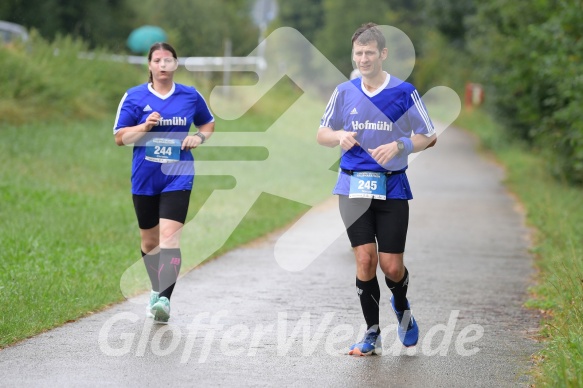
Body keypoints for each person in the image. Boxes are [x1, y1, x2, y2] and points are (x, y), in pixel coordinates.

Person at [317, 23, 436, 355]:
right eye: (359, 53)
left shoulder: (404, 91)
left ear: (382, 54)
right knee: (365, 259)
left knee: (392, 267)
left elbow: (429, 135)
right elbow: (321, 133)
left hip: (393, 187)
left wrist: (401, 145)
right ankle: (371, 332)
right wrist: (338, 136)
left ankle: (403, 309)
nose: (364, 58)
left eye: (370, 52)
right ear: (353, 56)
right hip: (353, 185)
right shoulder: (343, 91)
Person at [113, 42, 215, 323]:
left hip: (178, 174)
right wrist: (143, 127)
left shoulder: (190, 96)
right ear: (149, 65)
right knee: (149, 242)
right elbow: (119, 138)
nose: (163, 65)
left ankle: (163, 299)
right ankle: (156, 288)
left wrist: (199, 137)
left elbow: (207, 123)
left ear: (175, 64)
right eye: (157, 60)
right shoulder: (133, 97)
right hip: (145, 177)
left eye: (168, 60)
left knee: (170, 238)